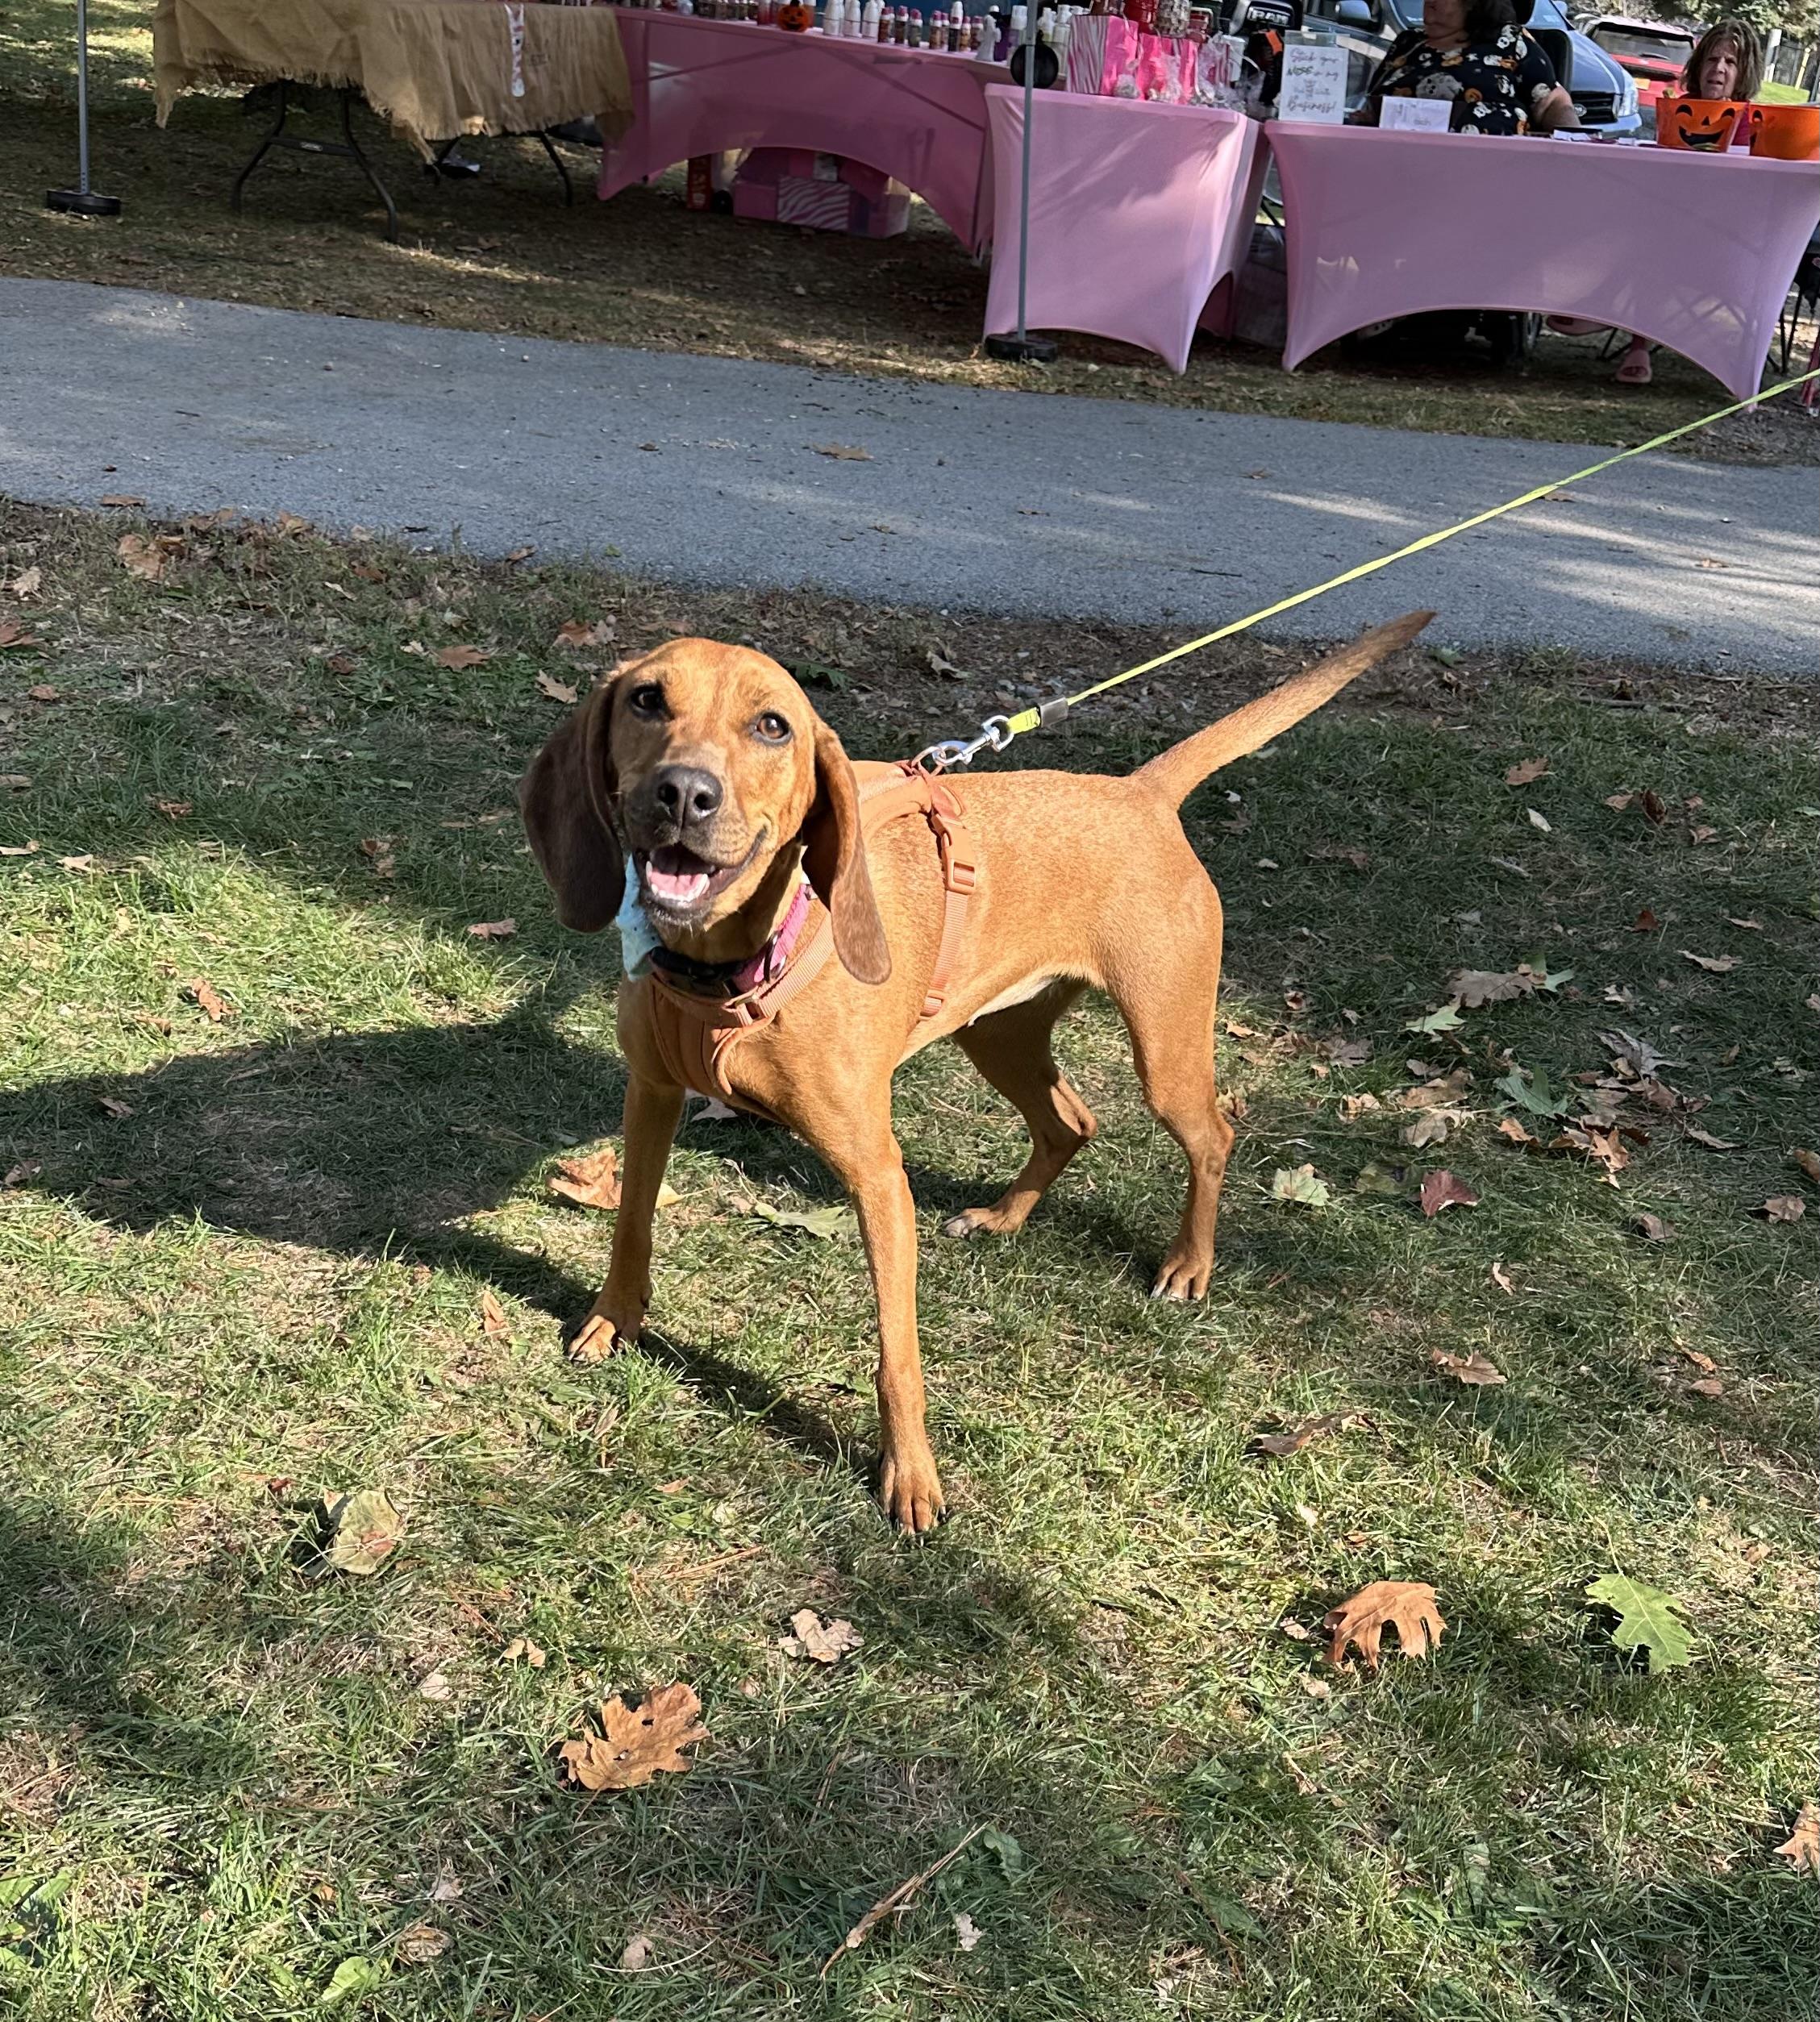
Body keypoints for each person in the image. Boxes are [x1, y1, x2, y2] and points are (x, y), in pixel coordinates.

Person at [1555, 18, 1766, 385]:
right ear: (1698, 65)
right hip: (1669, 224)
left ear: (1744, 72)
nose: (1718, 69)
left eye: (1730, 62)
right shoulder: (1679, 109)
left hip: (1726, 238)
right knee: (1643, 219)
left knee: (1656, 230)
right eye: (1712, 59)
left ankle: (1606, 307)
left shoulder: (1752, 120)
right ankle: (1630, 338)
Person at [1362, 0, 1581, 136]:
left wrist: (1574, 153)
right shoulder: (1408, 43)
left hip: (1490, 169)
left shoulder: (1509, 41)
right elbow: (1372, 103)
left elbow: (1552, 103)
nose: (1430, 2)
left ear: (1473, 4)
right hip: (1399, 162)